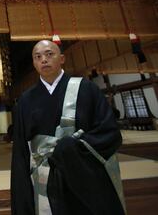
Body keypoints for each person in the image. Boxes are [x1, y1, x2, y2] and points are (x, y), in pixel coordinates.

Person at [10, 40, 125, 215]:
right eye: (38, 57)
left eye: (49, 54)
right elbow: (20, 151)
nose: (44, 60)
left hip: (84, 174)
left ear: (62, 58)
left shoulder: (87, 89)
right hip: (44, 176)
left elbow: (109, 131)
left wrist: (71, 148)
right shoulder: (25, 100)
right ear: (34, 63)